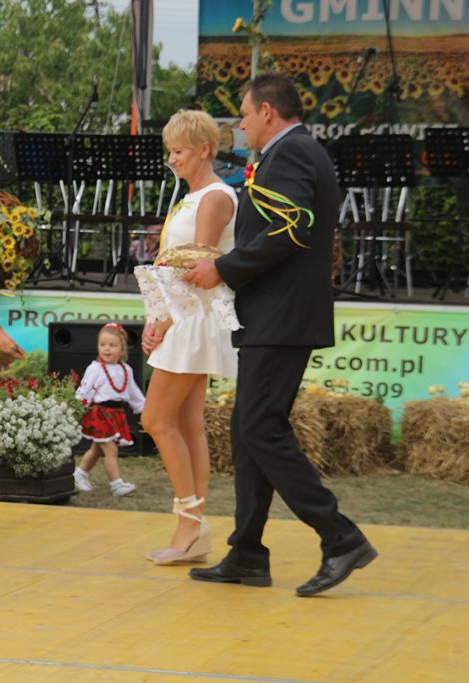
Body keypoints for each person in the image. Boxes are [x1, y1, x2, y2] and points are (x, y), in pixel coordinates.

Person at [185, 73, 377, 596]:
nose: (241, 125)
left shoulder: (291, 153)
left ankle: (339, 536)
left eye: (244, 115)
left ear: (267, 111)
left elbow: (290, 229)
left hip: (281, 314)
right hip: (275, 312)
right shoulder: (293, 153)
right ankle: (247, 553)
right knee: (250, 431)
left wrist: (225, 268)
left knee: (261, 428)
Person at [136, 110, 238, 566]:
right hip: (184, 318)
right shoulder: (194, 196)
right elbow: (174, 265)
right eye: (170, 151)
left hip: (193, 321)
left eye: (178, 151)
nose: (172, 159)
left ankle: (189, 524)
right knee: (187, 423)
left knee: (156, 420)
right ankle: (194, 527)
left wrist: (163, 322)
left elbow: (199, 267)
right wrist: (157, 315)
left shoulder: (214, 197)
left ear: (203, 149)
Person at [73, 323, 146, 497]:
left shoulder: (125, 370)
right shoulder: (95, 368)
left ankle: (79, 474)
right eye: (102, 345)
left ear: (122, 349)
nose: (107, 349)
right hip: (99, 413)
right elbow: (85, 389)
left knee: (97, 449)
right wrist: (78, 407)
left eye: (112, 345)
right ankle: (116, 485)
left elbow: (133, 391)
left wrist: (143, 408)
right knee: (111, 450)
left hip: (116, 414)